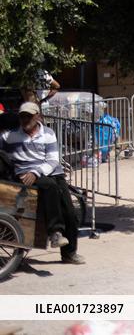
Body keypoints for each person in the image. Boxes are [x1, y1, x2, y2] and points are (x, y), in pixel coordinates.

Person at [0, 102, 83, 264]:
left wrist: (36, 172)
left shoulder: (48, 134)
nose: (25, 120)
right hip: (26, 174)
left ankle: (69, 253)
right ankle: (55, 232)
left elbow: (52, 160)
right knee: (48, 186)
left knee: (70, 213)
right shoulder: (10, 135)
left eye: (29, 116)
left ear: (37, 116)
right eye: (22, 116)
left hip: (51, 172)